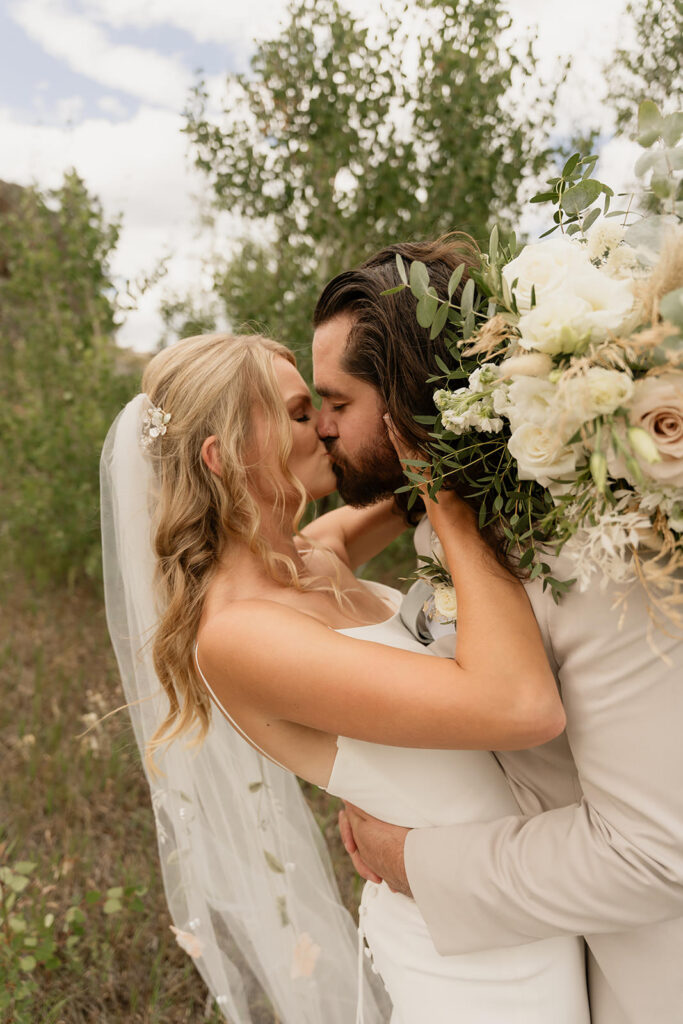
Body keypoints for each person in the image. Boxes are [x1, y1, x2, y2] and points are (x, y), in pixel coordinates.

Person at [101, 331, 589, 1024]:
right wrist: (446, 504)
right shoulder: (241, 635)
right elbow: (522, 707)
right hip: (470, 958)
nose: (325, 427)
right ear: (224, 456)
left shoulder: (315, 555)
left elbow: (418, 477)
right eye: (301, 414)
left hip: (518, 891)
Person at [311, 236, 683, 1024]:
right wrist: (433, 482)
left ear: (408, 404)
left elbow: (655, 852)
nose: (320, 428)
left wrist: (410, 860)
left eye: (337, 405)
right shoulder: (463, 529)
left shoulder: (598, 556)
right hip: (537, 960)